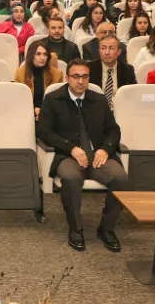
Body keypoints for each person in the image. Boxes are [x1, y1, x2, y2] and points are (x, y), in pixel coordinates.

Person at [37, 58, 129, 252]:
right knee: (71, 178)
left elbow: (114, 130)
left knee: (121, 178)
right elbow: (44, 131)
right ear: (67, 78)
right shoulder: (53, 99)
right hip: (68, 156)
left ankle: (106, 228)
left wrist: (105, 149)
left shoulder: (99, 100)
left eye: (85, 77)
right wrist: (71, 148)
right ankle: (76, 228)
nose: (80, 81)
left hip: (98, 156)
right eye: (76, 76)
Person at [89, 36, 136, 111]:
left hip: (121, 109)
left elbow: (133, 94)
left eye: (111, 48)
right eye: (103, 48)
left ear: (119, 52)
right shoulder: (89, 68)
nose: (107, 52)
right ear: (99, 51)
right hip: (95, 110)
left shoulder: (127, 70)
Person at [16, 41, 63, 117]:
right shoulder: (20, 73)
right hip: (27, 113)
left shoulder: (57, 74)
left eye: (45, 54)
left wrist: (44, 111)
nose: (42, 58)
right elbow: (19, 100)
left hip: (51, 114)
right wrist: (34, 110)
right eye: (38, 54)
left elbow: (59, 101)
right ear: (31, 55)